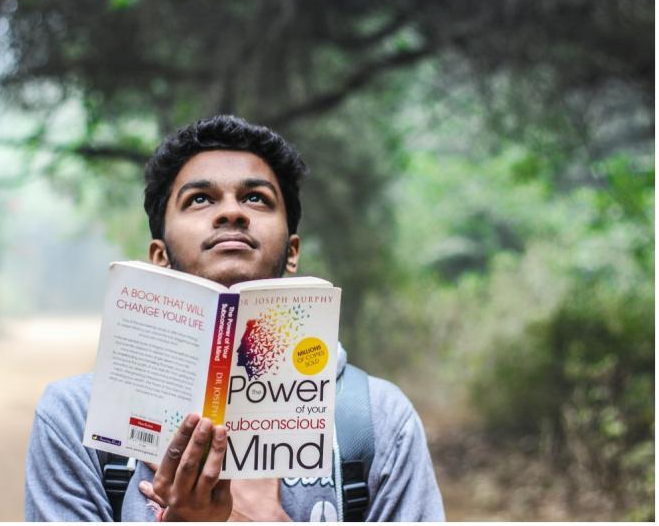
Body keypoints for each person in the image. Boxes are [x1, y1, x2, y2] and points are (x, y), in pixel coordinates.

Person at [25, 115, 445, 521]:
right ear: (159, 256)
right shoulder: (77, 419)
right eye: (200, 199)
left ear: (292, 251)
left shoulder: (378, 420)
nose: (231, 212)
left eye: (256, 198)